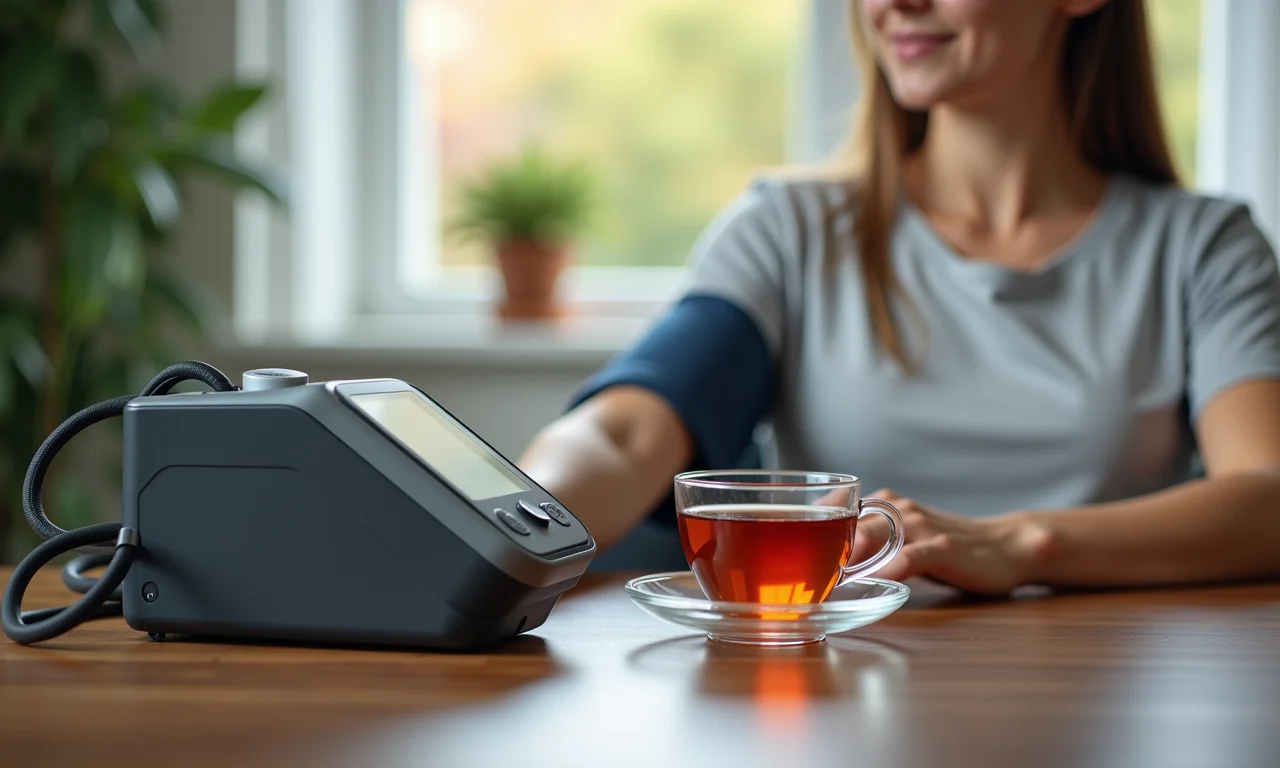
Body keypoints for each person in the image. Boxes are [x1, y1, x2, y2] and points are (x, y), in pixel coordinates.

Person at [517, 0, 1280, 595]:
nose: (896, 5)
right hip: (837, 691)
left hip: (1095, 685)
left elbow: (1266, 496)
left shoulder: (1204, 248)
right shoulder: (787, 232)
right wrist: (508, 525)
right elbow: (623, 436)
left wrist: (1020, 545)